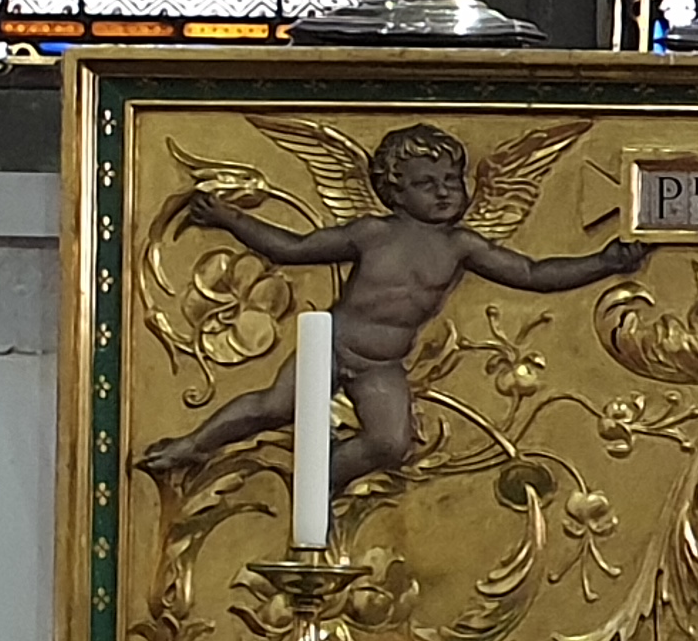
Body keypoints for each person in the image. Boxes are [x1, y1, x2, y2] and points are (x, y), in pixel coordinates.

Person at [135, 123, 647, 495]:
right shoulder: (372, 233)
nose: (445, 192)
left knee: (390, 442)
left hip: (382, 363)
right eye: (427, 184)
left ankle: (318, 487)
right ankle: (193, 444)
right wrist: (229, 219)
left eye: (452, 180)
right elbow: (291, 249)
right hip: (334, 345)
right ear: (394, 192)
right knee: (275, 406)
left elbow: (533, 274)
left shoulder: (461, 246)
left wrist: (604, 262)